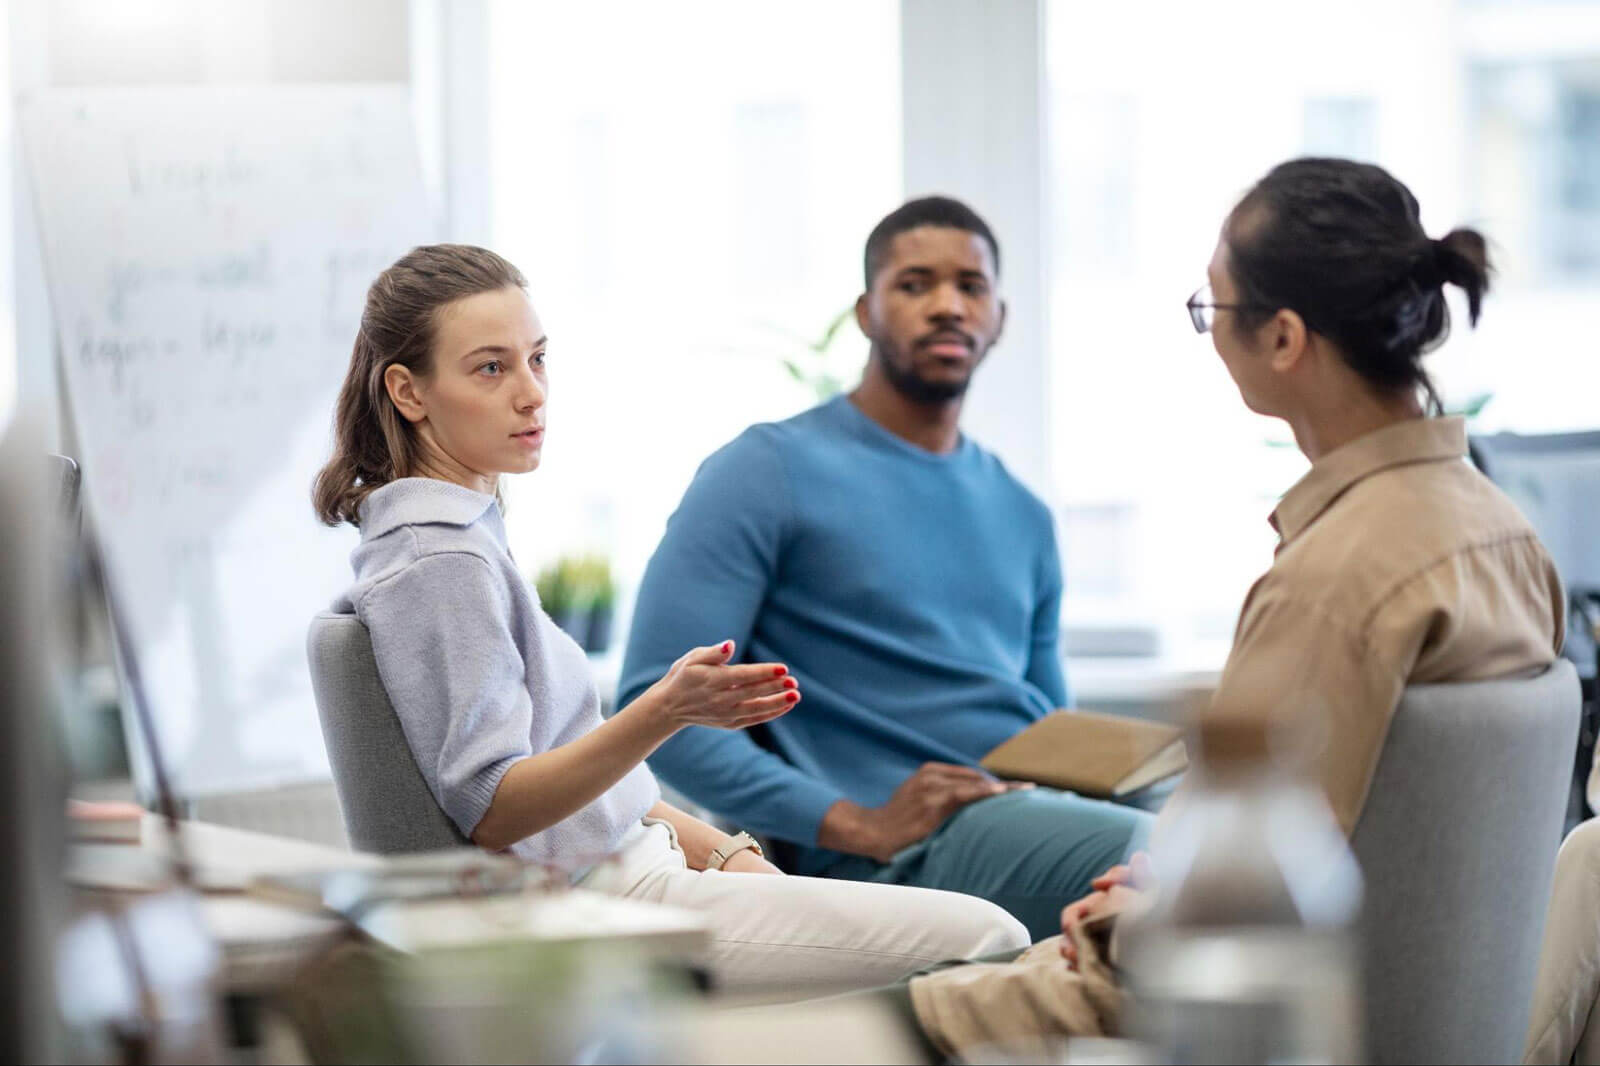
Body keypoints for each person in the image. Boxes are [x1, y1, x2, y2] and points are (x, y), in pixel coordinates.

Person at [889, 157, 1568, 1059]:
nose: (1209, 333)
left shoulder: (1338, 581)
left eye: (1212, 308)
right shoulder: (1508, 536)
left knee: (823, 1027)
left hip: (1199, 1016)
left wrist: (1128, 909)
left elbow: (1224, 923)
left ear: (1284, 338)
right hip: (1370, 1005)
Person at [309, 244, 1028, 1001]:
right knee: (994, 939)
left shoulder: (460, 539)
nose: (532, 394)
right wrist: (666, 708)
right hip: (605, 903)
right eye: (491, 368)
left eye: (539, 359)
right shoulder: (441, 563)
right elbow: (495, 808)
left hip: (641, 869)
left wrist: (726, 853)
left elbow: (586, 786)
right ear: (408, 392)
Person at [619, 197, 1152, 941]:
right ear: (867, 313)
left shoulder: (1022, 512)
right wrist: (852, 823)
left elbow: (1047, 724)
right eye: (915, 284)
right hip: (891, 852)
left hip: (1023, 815)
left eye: (970, 286)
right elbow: (657, 706)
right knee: (1186, 863)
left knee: (1256, 838)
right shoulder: (764, 470)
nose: (946, 305)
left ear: (999, 316)